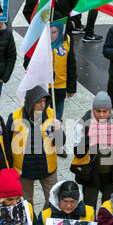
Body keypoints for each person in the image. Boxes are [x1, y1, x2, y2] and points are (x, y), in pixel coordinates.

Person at [6, 86, 64, 210]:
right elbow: (7, 144)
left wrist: (58, 131)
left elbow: (60, 143)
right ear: (30, 102)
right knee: (25, 205)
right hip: (24, 170)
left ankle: (43, 223)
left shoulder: (52, 115)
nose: (42, 105)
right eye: (38, 102)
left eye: (44, 101)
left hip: (48, 169)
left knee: (53, 201)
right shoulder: (14, 117)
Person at [71, 91, 113, 209]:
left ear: (110, 110)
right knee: (89, 207)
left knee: (108, 208)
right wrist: (86, 140)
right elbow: (78, 153)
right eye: (98, 111)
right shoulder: (83, 124)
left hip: (111, 174)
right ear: (93, 110)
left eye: (105, 111)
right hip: (91, 174)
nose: (102, 115)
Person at [49, 11, 77, 157]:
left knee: (57, 118)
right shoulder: (40, 42)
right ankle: (43, 144)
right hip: (43, 88)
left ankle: (58, 145)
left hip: (60, 87)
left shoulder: (66, 40)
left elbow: (71, 63)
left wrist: (71, 86)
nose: (54, 32)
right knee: (41, 118)